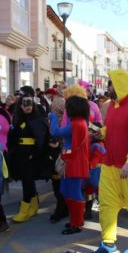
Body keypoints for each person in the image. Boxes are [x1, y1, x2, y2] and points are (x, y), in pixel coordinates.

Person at [88, 70, 128, 253]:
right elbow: (115, 129)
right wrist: (102, 133)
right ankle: (108, 244)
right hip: (110, 164)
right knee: (107, 204)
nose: (108, 88)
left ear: (120, 85)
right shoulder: (113, 106)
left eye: (111, 84)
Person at [7, 92, 51, 223]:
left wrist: (35, 153)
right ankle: (33, 207)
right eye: (25, 103)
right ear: (20, 106)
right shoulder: (18, 119)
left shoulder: (37, 119)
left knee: (27, 181)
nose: (28, 106)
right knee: (27, 181)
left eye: (30, 103)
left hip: (31, 154)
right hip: (21, 154)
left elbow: (42, 137)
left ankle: (25, 210)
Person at [49, 95, 90, 235]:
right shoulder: (80, 121)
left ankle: (77, 223)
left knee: (73, 191)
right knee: (67, 190)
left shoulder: (75, 123)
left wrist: (53, 118)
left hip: (72, 162)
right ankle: (75, 220)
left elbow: (55, 132)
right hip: (73, 161)